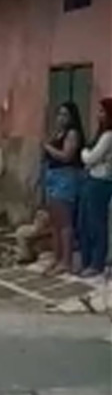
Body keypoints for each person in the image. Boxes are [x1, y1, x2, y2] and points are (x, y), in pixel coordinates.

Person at [42, 101, 85, 275]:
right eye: (59, 114)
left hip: (65, 178)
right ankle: (56, 257)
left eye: (65, 115)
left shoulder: (72, 134)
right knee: (54, 222)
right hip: (52, 177)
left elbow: (66, 156)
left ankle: (65, 261)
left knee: (64, 222)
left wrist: (48, 147)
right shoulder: (58, 133)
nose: (61, 118)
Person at [77, 98, 112, 277]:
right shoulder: (101, 134)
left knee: (96, 223)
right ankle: (86, 260)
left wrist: (84, 152)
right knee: (84, 222)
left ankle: (96, 262)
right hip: (91, 179)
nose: (99, 115)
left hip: (100, 182)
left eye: (102, 112)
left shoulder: (108, 136)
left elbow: (91, 158)